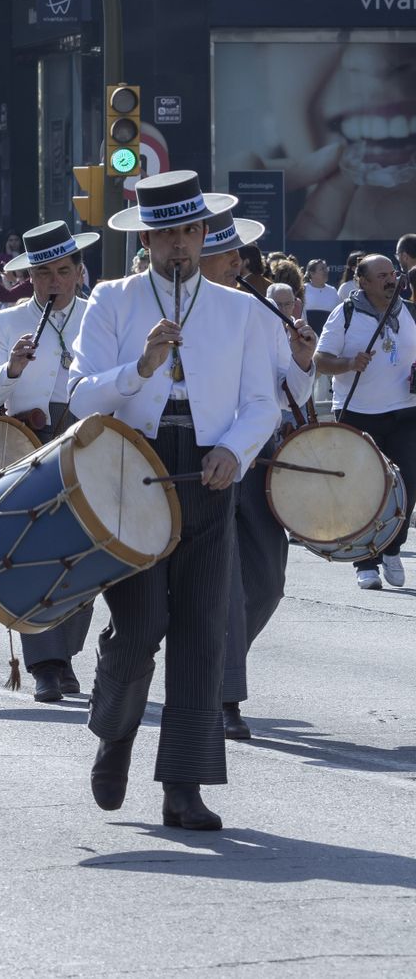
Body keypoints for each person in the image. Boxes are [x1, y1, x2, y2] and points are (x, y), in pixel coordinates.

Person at [69, 171, 279, 831]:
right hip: (134, 471)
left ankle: (183, 786)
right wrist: (141, 368)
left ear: (203, 232)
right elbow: (79, 396)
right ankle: (116, 735)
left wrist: (235, 452)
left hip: (209, 475)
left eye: (189, 232)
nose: (180, 245)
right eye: (166, 235)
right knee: (138, 625)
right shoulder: (113, 301)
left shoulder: (240, 310)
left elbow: (260, 404)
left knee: (201, 631)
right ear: (148, 239)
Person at [198, 216, 316, 743]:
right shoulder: (181, 309)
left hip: (256, 455)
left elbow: (285, 385)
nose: (237, 269)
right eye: (228, 261)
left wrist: (303, 359)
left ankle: (211, 657)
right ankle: (223, 694)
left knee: (268, 580)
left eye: (239, 261)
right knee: (223, 581)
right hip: (200, 459)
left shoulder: (263, 313)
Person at [0, 221, 99, 701]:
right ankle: (45, 664)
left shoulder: (97, 316)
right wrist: (11, 370)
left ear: (79, 272)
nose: (54, 283)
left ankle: (65, 655)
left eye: (63, 271)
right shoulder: (6, 323)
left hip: (88, 441)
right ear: (30, 278)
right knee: (32, 553)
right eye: (43, 274)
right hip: (29, 442)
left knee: (86, 549)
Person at [314, 253, 416, 592]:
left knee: (409, 483)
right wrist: (348, 363)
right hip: (359, 413)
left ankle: (392, 548)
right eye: (383, 275)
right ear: (364, 281)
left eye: (394, 273)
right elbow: (321, 361)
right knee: (366, 490)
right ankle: (366, 562)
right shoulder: (344, 314)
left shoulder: (409, 310)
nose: (392, 279)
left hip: (405, 411)